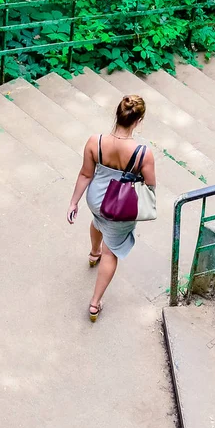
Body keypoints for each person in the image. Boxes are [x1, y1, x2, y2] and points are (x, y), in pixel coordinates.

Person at [66, 95, 156, 322]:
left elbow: (86, 173)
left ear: (117, 114)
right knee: (111, 252)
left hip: (96, 199)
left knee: (98, 221)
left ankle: (93, 252)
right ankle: (95, 303)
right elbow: (150, 184)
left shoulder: (94, 141)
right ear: (139, 120)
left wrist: (74, 202)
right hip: (119, 207)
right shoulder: (143, 153)